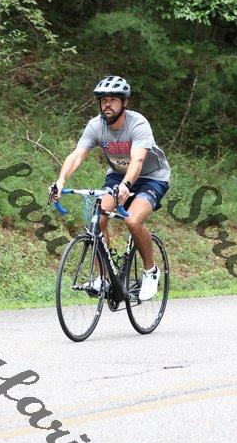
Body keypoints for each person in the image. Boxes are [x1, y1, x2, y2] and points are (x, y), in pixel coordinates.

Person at [53, 75, 171, 301]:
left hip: (151, 178)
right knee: (97, 218)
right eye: (103, 100)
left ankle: (151, 271)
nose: (107, 104)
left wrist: (126, 185)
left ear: (124, 102)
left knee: (133, 220)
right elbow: (77, 154)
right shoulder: (95, 126)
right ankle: (103, 278)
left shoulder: (137, 124)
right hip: (117, 176)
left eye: (113, 99)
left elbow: (137, 160)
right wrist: (61, 181)